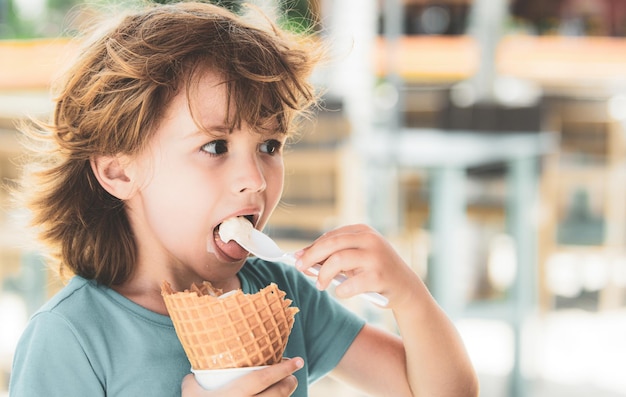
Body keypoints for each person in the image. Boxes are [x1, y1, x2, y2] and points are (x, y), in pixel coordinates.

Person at [9, 2, 478, 397]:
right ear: (118, 170)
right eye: (215, 147)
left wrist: (409, 297)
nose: (254, 179)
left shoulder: (281, 297)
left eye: (270, 146)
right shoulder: (71, 337)